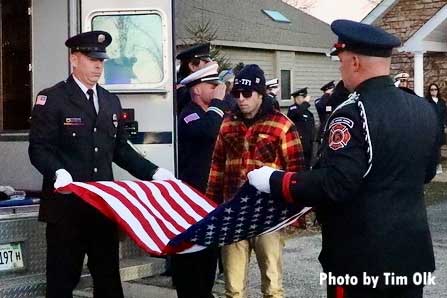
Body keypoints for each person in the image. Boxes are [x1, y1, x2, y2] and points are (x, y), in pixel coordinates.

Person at [247, 19, 440, 298]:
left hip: (360, 257)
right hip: (410, 254)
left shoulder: (350, 113)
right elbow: (427, 172)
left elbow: (337, 183)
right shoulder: (423, 109)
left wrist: (277, 180)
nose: (340, 68)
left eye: (341, 61)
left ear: (355, 62)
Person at [28, 31, 175, 298]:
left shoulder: (109, 101)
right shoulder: (53, 99)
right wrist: (57, 171)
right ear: (74, 60)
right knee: (62, 283)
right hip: (67, 211)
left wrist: (153, 172)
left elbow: (119, 150)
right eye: (91, 58)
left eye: (102, 60)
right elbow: (39, 149)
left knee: (109, 282)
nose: (98, 65)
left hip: (102, 210)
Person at [206, 64, 305, 298]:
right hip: (233, 213)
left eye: (247, 94)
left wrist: (295, 217)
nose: (241, 99)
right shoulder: (227, 123)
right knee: (233, 288)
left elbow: (296, 172)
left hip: (268, 216)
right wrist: (211, 208)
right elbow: (217, 167)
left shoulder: (282, 125)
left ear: (261, 94)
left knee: (272, 286)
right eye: (236, 94)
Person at [173, 62, 227, 298]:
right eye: (211, 85)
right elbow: (207, 131)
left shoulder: (211, 113)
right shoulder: (189, 114)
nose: (217, 89)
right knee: (191, 258)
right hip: (191, 197)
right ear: (196, 89)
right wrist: (217, 103)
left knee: (208, 254)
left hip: (210, 197)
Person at [176, 43, 213, 115]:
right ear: (192, 66)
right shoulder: (186, 93)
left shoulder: (185, 89)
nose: (209, 65)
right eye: (206, 62)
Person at [287, 87, 315, 169]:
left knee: (307, 165)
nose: (304, 100)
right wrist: (306, 103)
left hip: (308, 144)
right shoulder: (293, 109)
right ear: (297, 98)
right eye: (303, 98)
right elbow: (296, 114)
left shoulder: (307, 112)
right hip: (299, 143)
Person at [425, 83, 446, 174]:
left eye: (435, 89)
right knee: (431, 147)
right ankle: (431, 166)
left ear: (438, 90)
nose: (434, 91)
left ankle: (438, 165)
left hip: (440, 128)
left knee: (438, 147)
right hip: (431, 128)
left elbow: (445, 115)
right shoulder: (427, 101)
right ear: (429, 91)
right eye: (432, 90)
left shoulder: (441, 102)